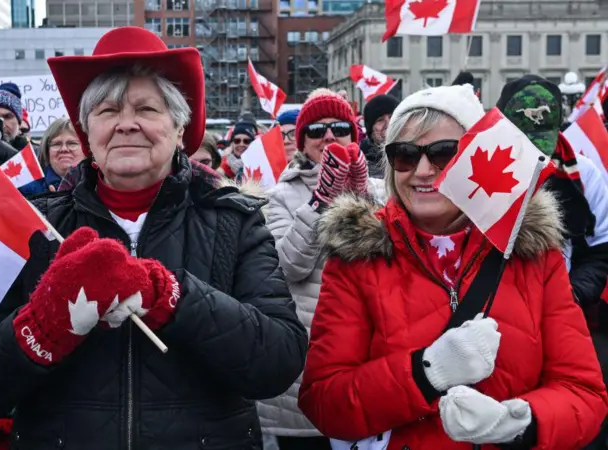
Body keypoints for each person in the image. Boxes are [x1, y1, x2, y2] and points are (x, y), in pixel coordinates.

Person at [0, 26, 307, 449]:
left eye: (147, 109)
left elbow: (278, 363)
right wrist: (42, 325)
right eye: (107, 110)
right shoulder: (33, 229)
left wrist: (172, 296)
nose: (126, 124)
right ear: (87, 133)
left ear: (178, 129)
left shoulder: (235, 220)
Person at [298, 84, 608, 449]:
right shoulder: (357, 257)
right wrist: (426, 372)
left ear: (476, 158)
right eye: (405, 155)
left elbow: (584, 392)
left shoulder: (534, 254)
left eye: (445, 153)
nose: (423, 171)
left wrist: (521, 421)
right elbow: (324, 401)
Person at [259, 88, 385, 450]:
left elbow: (397, 258)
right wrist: (320, 203)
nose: (329, 135)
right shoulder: (279, 196)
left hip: (369, 355)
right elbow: (287, 266)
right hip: (308, 361)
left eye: (340, 127)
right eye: (316, 130)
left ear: (354, 134)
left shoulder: (379, 189)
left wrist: (363, 200)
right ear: (302, 141)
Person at [497, 75, 608, 449]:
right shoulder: (476, 171)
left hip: (564, 313)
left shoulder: (585, 175)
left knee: (566, 410)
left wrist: (573, 293)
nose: (535, 156)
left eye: (541, 143)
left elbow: (602, 246)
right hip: (494, 318)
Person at [19, 118, 85, 196]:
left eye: (72, 143)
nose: (64, 149)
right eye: (57, 144)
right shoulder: (26, 189)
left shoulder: (99, 183)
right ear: (47, 151)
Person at [360, 94, 398, 178]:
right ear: (371, 130)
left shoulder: (415, 154)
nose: (389, 124)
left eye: (392, 117)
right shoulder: (360, 166)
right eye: (380, 120)